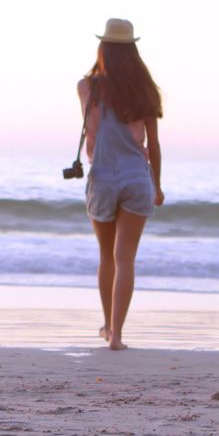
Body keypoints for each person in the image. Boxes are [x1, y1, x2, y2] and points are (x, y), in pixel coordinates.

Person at [77, 18, 164, 351]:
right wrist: (157, 184)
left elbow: (93, 127)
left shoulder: (87, 87)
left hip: (102, 178)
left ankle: (107, 325)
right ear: (133, 50)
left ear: (103, 48)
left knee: (106, 256)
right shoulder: (145, 90)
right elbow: (154, 146)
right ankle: (117, 335)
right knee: (126, 258)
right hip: (136, 177)